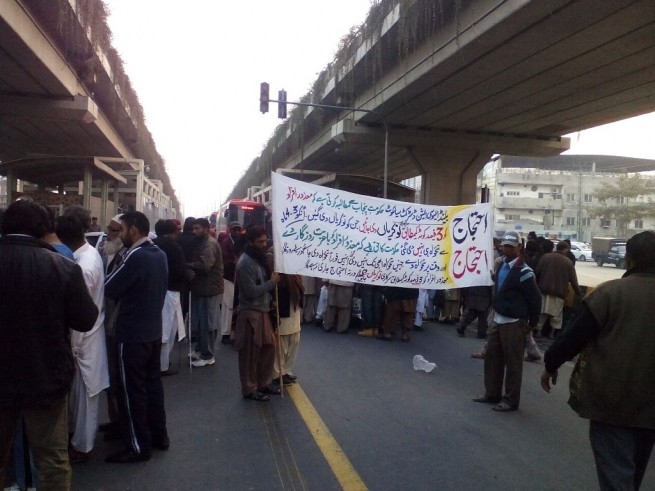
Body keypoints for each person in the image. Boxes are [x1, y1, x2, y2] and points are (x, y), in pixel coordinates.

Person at [541, 231, 655, 490]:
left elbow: (574, 337)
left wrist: (551, 364)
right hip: (650, 403)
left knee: (616, 473)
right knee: (633, 470)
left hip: (611, 399)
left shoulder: (609, 293)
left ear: (629, 260)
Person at [0, 200, 98, 489]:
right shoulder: (63, 267)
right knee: (52, 463)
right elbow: (85, 319)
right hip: (46, 376)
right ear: (45, 228)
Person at [104, 211, 169, 463]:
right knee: (152, 388)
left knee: (131, 392)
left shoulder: (135, 256)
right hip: (152, 331)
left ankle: (137, 445)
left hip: (131, 335)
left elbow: (110, 286)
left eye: (121, 230)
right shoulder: (158, 253)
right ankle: (158, 435)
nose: (118, 235)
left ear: (132, 230)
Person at [56, 208, 110, 464]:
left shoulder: (83, 266)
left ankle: (82, 447)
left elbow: (81, 311)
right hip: (87, 337)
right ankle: (79, 441)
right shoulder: (86, 255)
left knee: (85, 399)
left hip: (83, 340)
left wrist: (73, 347)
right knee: (81, 398)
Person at [473, 231, 541, 412]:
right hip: (498, 317)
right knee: (493, 358)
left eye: (511, 246)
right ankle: (491, 394)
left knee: (513, 363)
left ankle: (510, 400)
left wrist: (531, 323)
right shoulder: (502, 265)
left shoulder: (525, 272)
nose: (507, 249)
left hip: (514, 321)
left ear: (519, 247)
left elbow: (535, 300)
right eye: (505, 245)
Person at [234, 225, 280, 401]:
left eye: (265, 240)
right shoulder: (245, 263)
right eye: (260, 241)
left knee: (268, 348)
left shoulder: (258, 258)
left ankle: (263, 383)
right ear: (251, 242)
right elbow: (251, 291)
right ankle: (249, 388)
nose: (264, 244)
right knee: (250, 354)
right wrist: (272, 282)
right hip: (250, 314)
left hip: (263, 311)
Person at [153, 219, 189, 374]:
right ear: (173, 232)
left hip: (156, 290)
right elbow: (180, 270)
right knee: (167, 329)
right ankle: (162, 365)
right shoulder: (173, 247)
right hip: (171, 291)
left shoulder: (152, 244)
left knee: (160, 327)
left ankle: (156, 363)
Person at [187, 217, 224, 367]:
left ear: (206, 229)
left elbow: (205, 265)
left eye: (198, 229)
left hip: (210, 288)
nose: (194, 231)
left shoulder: (209, 244)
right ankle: (200, 349)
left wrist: (188, 266)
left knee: (208, 322)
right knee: (201, 321)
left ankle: (208, 354)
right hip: (202, 287)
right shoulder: (202, 242)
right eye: (194, 228)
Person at [534, 240, 581, 339]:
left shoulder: (545, 257)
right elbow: (574, 281)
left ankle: (538, 332)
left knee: (542, 313)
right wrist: (578, 293)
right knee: (556, 315)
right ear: (566, 249)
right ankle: (552, 333)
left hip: (543, 290)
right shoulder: (568, 262)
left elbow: (537, 272)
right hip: (559, 292)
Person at [219, 221, 243, 344]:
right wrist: (235, 262)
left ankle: (233, 332)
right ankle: (225, 333)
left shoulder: (239, 242)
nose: (237, 232)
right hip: (229, 278)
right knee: (228, 305)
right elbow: (225, 260)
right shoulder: (225, 243)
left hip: (238, 278)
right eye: (235, 230)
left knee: (236, 306)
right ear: (230, 230)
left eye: (239, 230)